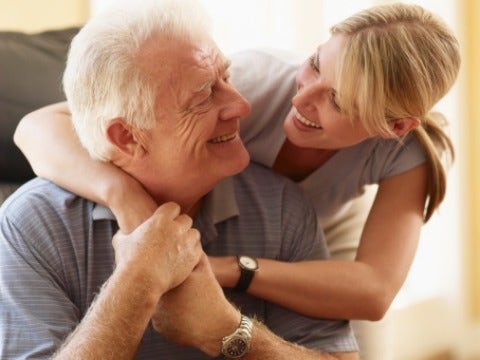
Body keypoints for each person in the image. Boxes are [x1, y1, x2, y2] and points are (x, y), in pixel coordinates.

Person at [14, 1, 460, 356]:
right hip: (224, 207)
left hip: (317, 227)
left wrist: (216, 271)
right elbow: (35, 127)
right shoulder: (258, 82)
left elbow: (373, 292)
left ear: (396, 127)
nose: (301, 99)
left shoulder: (407, 154)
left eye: (339, 102)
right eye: (316, 65)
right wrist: (135, 208)